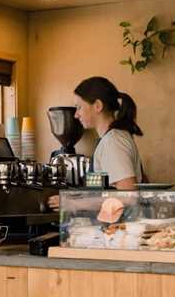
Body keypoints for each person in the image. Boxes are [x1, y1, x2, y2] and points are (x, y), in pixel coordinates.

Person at [48, 77, 143, 209]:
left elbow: (129, 197)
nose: (76, 115)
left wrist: (73, 203)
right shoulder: (112, 138)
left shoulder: (113, 142)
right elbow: (106, 191)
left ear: (98, 106)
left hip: (118, 226)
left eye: (79, 107)